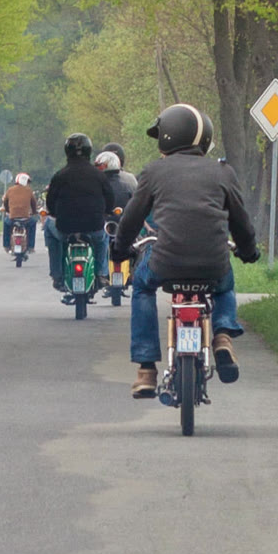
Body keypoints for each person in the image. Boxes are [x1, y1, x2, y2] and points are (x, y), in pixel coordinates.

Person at [111, 103, 260, 400]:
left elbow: (131, 218)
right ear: (203, 139)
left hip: (165, 261)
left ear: (168, 136)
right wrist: (248, 250)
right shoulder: (223, 172)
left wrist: (119, 249)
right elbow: (240, 221)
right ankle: (222, 336)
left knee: (142, 287)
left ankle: (146, 369)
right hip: (212, 262)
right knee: (225, 283)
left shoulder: (154, 171)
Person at [44, 132, 114, 298]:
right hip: (94, 228)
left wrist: (55, 213)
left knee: (48, 228)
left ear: (67, 151)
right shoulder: (99, 175)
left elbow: (50, 203)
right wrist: (105, 213)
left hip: (65, 229)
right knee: (104, 238)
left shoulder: (59, 176)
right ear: (89, 151)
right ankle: (101, 273)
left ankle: (57, 274)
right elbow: (110, 200)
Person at [0, 171, 37, 250]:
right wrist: (34, 212)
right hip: (26, 219)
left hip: (12, 218)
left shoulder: (10, 190)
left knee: (6, 224)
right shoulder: (29, 191)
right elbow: (33, 203)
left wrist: (8, 211)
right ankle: (31, 246)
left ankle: (6, 245)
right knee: (33, 223)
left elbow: (5, 202)